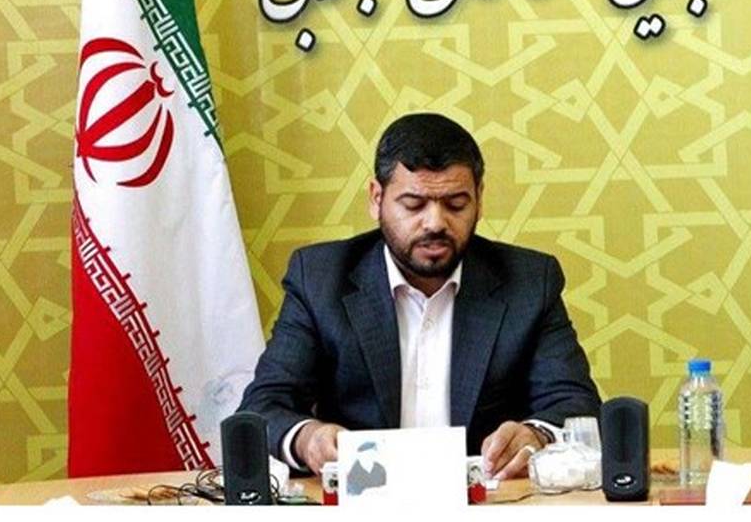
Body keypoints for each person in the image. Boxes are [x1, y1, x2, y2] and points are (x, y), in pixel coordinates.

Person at [238, 112, 601, 480]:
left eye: (456, 204)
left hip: (486, 502)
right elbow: (263, 408)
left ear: (479, 199)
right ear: (376, 198)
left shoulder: (529, 282)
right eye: (413, 204)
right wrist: (308, 438)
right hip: (364, 499)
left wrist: (536, 435)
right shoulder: (320, 279)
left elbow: (576, 406)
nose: (435, 223)